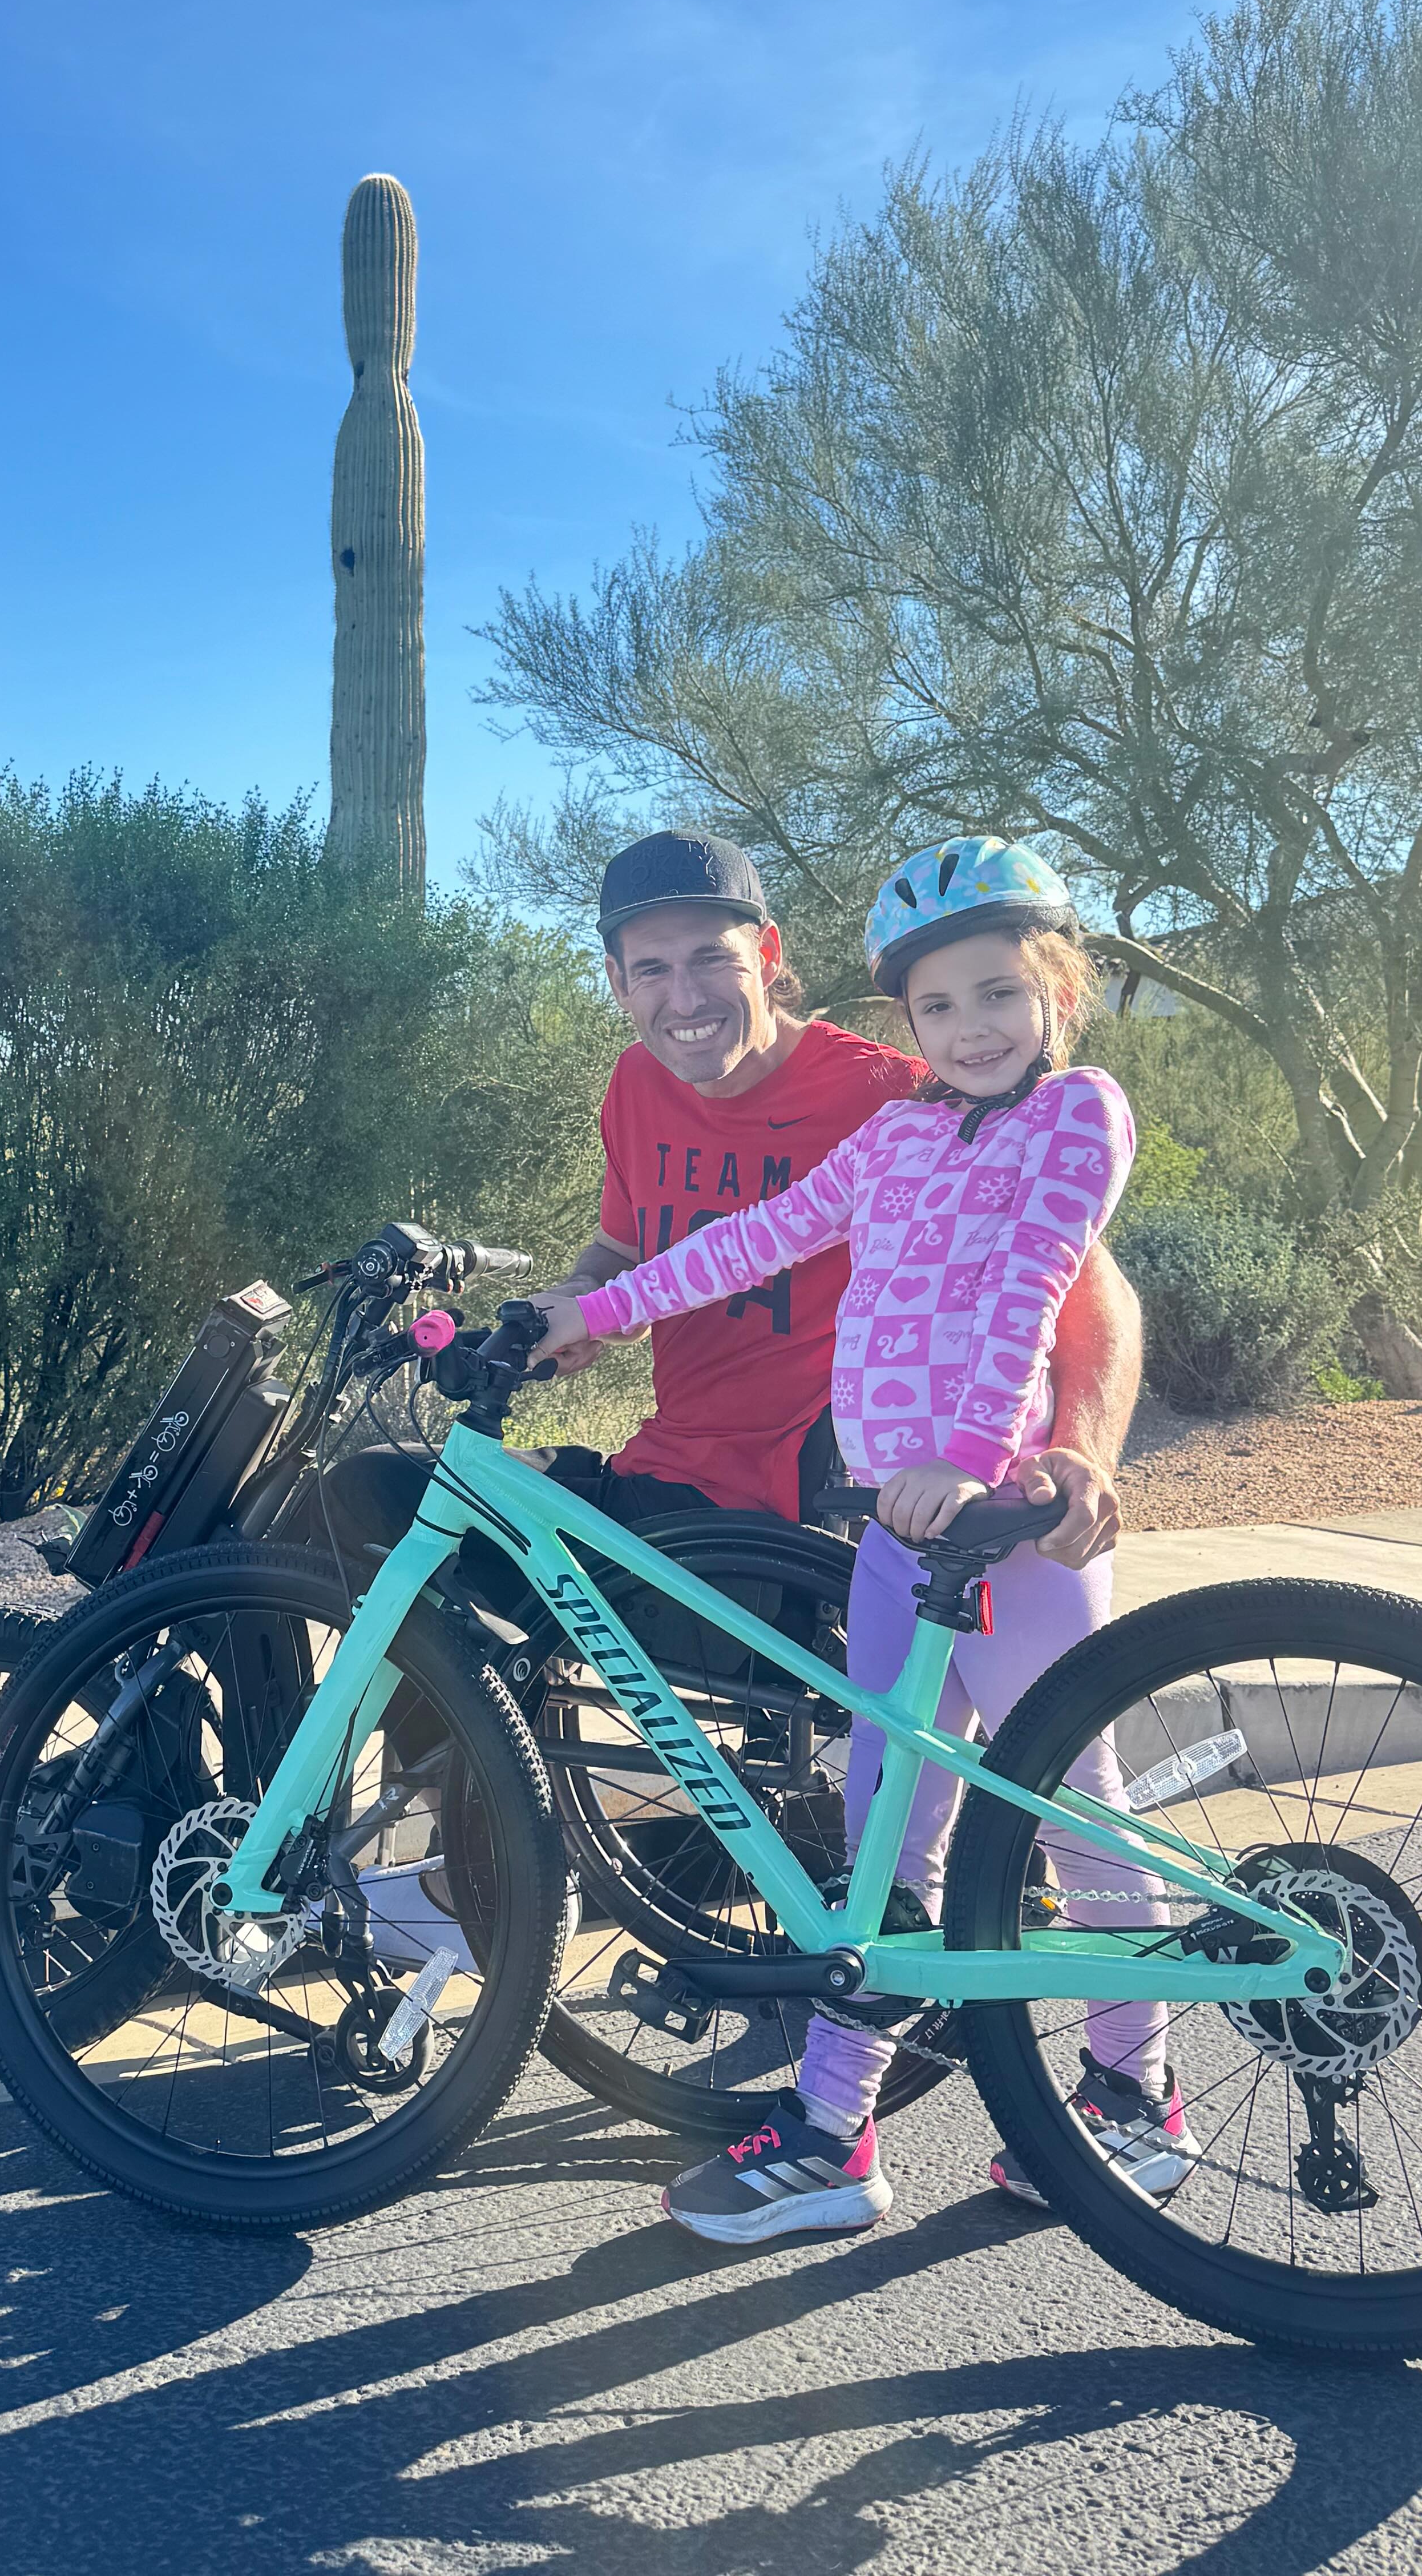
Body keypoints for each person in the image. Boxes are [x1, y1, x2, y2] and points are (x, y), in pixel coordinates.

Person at [531, 835, 1190, 2245]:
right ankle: (834, 2137)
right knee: (889, 1825)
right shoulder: (895, 1134)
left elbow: (1034, 1287)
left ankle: (1137, 2097)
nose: (970, 1030)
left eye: (998, 994)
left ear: (1058, 989)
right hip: (895, 1532)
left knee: (1071, 1806)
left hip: (1001, 1526)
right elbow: (748, 1244)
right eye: (939, 1009)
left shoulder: (1077, 1113)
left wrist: (995, 1458)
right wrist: (579, 1315)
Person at [324, 828, 1141, 1583]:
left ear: (768, 953)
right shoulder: (636, 1087)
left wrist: (1080, 1452)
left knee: (443, 1563)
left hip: (808, 1517)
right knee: (371, 1504)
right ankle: (469, 1747)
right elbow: (623, 1252)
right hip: (665, 1479)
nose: (684, 1000)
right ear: (616, 982)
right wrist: (575, 1312)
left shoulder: (903, 1101)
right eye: (650, 969)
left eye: (711, 960)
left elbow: (1076, 1278)